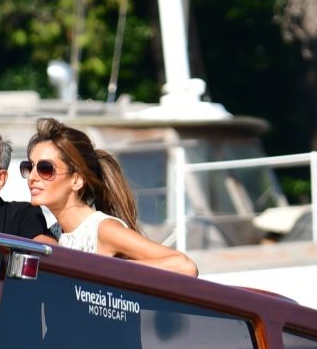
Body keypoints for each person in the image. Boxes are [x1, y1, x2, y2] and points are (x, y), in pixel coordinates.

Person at [23, 117, 198, 276]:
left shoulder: (103, 229)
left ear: (76, 180)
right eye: (29, 167)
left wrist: (109, 269)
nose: (32, 177)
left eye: (45, 168)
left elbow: (184, 266)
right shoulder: (52, 233)